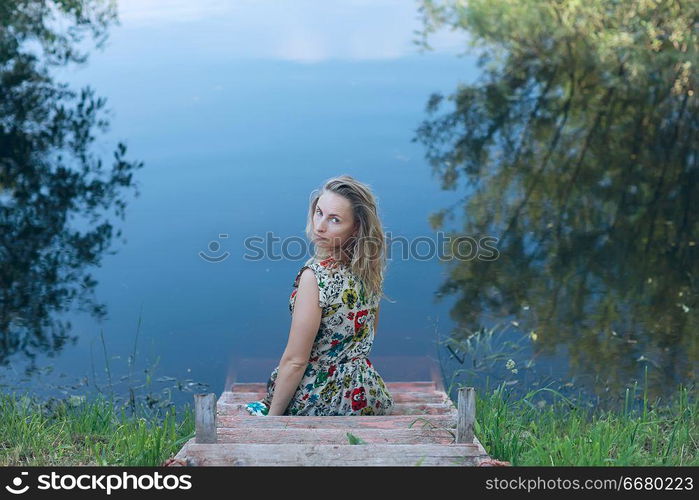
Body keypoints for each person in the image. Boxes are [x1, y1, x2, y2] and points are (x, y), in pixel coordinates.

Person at [245, 175, 394, 416]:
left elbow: (296, 361)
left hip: (323, 400)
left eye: (334, 220)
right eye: (319, 212)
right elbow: (367, 336)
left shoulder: (314, 278)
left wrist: (272, 421)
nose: (320, 226)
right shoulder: (369, 271)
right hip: (368, 393)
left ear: (356, 228)